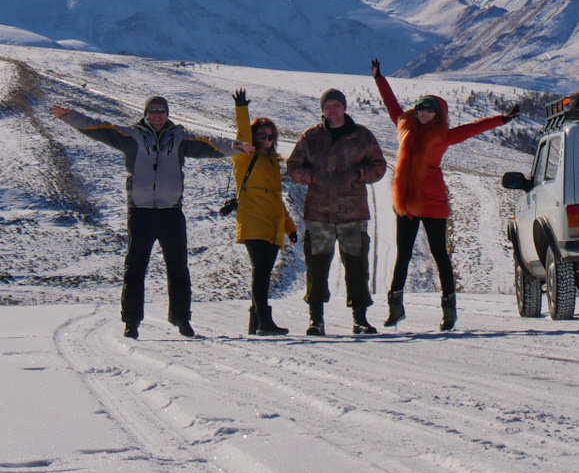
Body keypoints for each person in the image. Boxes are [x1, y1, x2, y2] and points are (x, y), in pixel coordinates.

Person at [50, 94, 241, 339]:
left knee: (178, 268)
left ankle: (182, 319)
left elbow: (210, 144)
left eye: (162, 110)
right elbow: (99, 127)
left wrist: (236, 147)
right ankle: (131, 322)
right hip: (140, 212)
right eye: (153, 110)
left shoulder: (179, 138)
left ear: (167, 113)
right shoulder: (132, 136)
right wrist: (70, 117)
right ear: (146, 113)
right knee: (135, 268)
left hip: (171, 212)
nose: (158, 114)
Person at [372, 59, 520, 331]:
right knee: (403, 254)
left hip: (433, 200)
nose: (424, 113)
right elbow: (391, 104)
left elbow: (474, 128)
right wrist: (379, 78)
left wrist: (502, 119)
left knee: (440, 254)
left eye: (430, 110)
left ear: (439, 113)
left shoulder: (445, 135)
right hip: (405, 198)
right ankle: (395, 308)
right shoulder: (403, 123)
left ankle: (449, 311)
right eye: (421, 108)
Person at [285, 86, 387, 336]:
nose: (332, 109)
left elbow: (379, 165)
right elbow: (293, 166)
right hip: (319, 215)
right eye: (327, 105)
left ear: (344, 107)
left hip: (353, 214)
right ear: (322, 110)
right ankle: (316, 320)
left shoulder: (362, 136)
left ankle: (360, 319)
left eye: (336, 104)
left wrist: (359, 175)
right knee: (316, 268)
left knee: (357, 267)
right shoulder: (310, 137)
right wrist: (312, 176)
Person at [230, 88, 297, 336]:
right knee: (260, 273)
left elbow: (277, 200)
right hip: (253, 223)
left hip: (271, 225)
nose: (266, 140)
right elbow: (242, 133)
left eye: (271, 137)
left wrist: (289, 227)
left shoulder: (271, 163)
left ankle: (256, 323)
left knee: (264, 274)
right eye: (262, 135)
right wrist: (241, 110)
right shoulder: (244, 157)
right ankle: (264, 322)